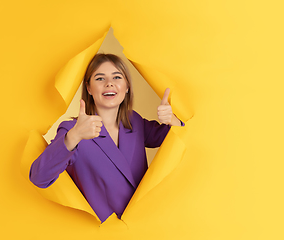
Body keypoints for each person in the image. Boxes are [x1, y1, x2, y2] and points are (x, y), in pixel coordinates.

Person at [29, 53, 184, 222]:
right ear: (88, 88)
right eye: (100, 78)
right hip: (101, 232)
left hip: (144, 226)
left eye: (117, 77)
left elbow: (176, 140)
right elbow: (39, 177)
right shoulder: (72, 130)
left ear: (126, 87)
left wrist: (172, 120)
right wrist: (74, 136)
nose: (109, 83)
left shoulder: (135, 122)